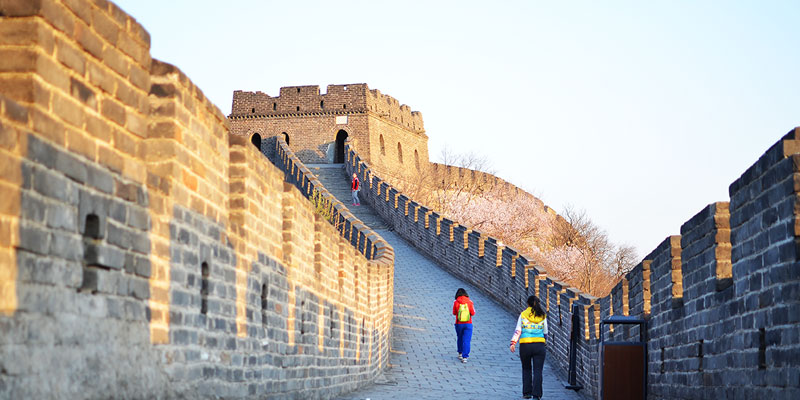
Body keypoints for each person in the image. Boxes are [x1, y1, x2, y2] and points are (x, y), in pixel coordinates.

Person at [509, 295, 548, 399]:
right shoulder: (542, 316)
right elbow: (545, 333)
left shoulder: (523, 315)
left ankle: (527, 393)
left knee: (526, 369)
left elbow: (518, 330)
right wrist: (544, 342)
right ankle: (537, 395)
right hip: (539, 345)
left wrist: (513, 343)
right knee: (538, 370)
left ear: (528, 304)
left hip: (525, 345)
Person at [452, 288, 475, 363]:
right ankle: (465, 357)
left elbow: (454, 313)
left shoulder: (456, 302)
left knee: (460, 338)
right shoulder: (470, 302)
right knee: (467, 340)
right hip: (468, 324)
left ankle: (460, 353)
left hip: (459, 324)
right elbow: (473, 313)